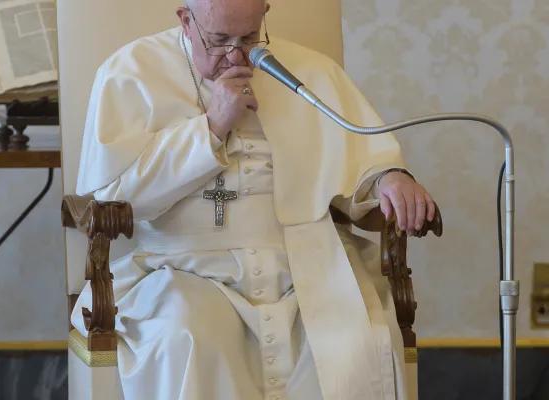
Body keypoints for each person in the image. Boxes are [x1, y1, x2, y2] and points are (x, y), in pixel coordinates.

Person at [72, 0, 437, 399]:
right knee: (187, 336)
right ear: (185, 20)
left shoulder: (308, 71)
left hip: (306, 262)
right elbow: (111, 195)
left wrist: (390, 177)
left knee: (356, 344)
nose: (234, 56)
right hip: (181, 266)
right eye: (218, 40)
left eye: (247, 38)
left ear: (263, 14)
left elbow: (360, 159)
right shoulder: (131, 72)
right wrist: (210, 129)